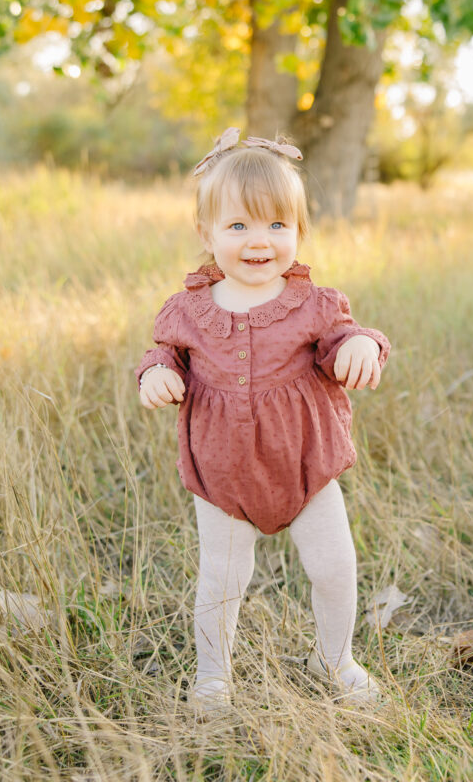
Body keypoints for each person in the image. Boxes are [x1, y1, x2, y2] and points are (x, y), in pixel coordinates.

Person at [135, 127, 390, 712]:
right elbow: (162, 352)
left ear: (299, 231)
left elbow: (345, 337)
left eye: (278, 225)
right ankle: (213, 676)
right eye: (239, 226)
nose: (260, 241)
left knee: (332, 566)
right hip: (223, 476)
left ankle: (336, 660)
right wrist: (154, 374)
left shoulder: (316, 305)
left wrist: (361, 347)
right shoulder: (189, 311)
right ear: (207, 233)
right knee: (222, 579)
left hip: (306, 469)